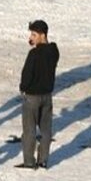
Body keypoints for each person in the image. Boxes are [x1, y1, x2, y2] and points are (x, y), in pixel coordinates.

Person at [16, 20, 60, 169]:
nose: (31, 37)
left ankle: (29, 161)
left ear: (42, 35)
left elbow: (27, 74)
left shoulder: (34, 54)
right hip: (47, 95)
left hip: (32, 96)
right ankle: (43, 160)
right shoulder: (54, 51)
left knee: (29, 131)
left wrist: (23, 87)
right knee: (46, 130)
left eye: (34, 34)